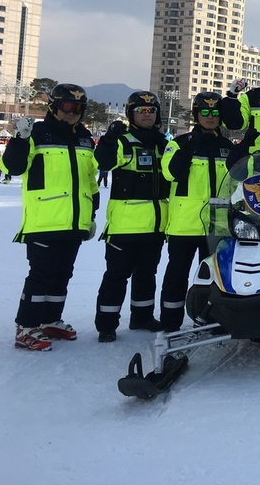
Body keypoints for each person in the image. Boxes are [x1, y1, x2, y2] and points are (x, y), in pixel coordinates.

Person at [1, 83, 99, 351]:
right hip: (44, 219)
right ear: (54, 106)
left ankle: (50, 320)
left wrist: (91, 214)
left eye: (78, 108)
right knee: (41, 275)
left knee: (62, 274)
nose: (72, 113)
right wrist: (19, 139)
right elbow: (13, 166)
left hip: (75, 220)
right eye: (68, 106)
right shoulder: (37, 133)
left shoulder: (84, 138)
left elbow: (90, 179)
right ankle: (26, 326)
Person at [93, 92, 170, 342]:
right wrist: (108, 138)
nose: (147, 114)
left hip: (156, 224)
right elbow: (103, 161)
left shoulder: (163, 143)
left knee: (147, 275)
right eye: (141, 110)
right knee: (116, 277)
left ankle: (142, 317)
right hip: (125, 225)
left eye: (151, 110)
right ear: (131, 114)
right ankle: (106, 324)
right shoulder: (122, 141)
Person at [159, 91, 234, 332]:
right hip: (185, 223)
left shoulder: (226, 147)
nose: (210, 117)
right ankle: (170, 321)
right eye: (205, 112)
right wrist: (188, 150)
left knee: (215, 277)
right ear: (196, 115)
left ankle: (211, 319)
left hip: (217, 225)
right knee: (177, 275)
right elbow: (171, 174)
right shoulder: (178, 143)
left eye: (215, 113)